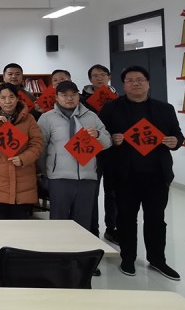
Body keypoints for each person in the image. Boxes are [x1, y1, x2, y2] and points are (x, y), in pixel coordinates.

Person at [98, 66, 184, 281]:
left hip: (157, 175)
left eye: (140, 79)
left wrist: (175, 142)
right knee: (126, 219)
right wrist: (112, 139)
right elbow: (101, 135)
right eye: (130, 80)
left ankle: (157, 259)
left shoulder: (165, 108)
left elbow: (177, 135)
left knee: (156, 219)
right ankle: (128, 258)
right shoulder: (111, 108)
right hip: (125, 175)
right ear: (123, 85)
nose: (135, 83)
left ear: (148, 83)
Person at [37, 81, 110, 231]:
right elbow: (41, 148)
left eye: (73, 94)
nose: (69, 98)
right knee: (59, 223)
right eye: (64, 95)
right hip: (59, 179)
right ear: (56, 97)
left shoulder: (91, 116)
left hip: (87, 179)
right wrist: (46, 172)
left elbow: (108, 142)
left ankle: (81, 247)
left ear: (78, 96)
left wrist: (98, 135)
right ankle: (59, 247)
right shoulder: (47, 118)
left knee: (83, 224)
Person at [0, 83, 44, 219]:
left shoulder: (29, 118)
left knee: (21, 224)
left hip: (23, 177)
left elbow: (37, 144)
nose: (7, 101)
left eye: (11, 97)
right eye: (3, 98)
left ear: (17, 98)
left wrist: (23, 158)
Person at [82, 64, 119, 242]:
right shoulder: (82, 100)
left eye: (103, 75)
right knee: (91, 192)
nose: (99, 78)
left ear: (109, 77)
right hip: (91, 151)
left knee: (113, 192)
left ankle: (112, 228)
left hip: (114, 151)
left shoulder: (119, 99)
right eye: (95, 76)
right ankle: (92, 229)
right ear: (90, 79)